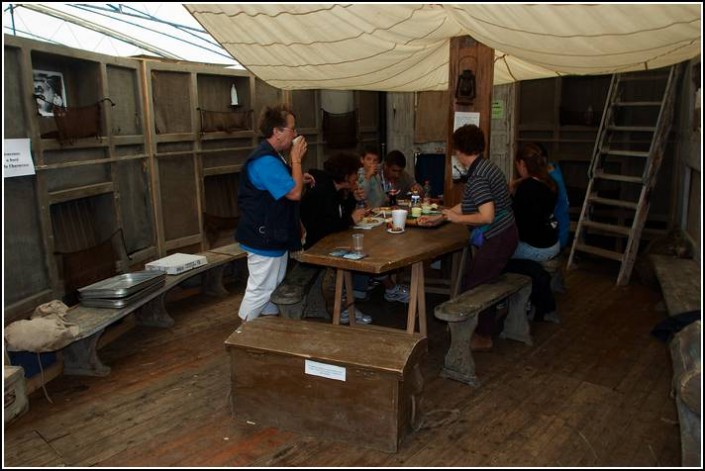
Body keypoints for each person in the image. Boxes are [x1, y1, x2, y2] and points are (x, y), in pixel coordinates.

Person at [424, 124, 518, 351]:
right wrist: (444, 215)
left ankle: (483, 336)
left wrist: (456, 220)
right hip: (506, 232)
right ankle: (483, 331)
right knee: (479, 281)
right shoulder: (486, 167)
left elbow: (486, 216)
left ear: (459, 150)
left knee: (476, 286)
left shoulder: (478, 176)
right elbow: (469, 204)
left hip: (498, 236)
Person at [236, 104, 308, 323]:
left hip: (271, 233)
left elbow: (284, 185)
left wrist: (299, 177)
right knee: (260, 289)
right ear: (277, 131)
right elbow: (294, 193)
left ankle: (265, 330)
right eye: (291, 129)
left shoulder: (273, 156)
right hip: (263, 236)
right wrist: (296, 160)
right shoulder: (265, 160)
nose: (295, 134)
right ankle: (242, 336)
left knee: (272, 287)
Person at [300, 152, 373, 324]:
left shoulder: (337, 190)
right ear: (346, 175)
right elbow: (324, 226)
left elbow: (340, 216)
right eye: (355, 173)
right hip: (315, 246)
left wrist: (353, 199)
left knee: (361, 252)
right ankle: (342, 309)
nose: (357, 177)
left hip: (330, 241)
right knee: (346, 264)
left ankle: (347, 305)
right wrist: (351, 219)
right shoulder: (321, 192)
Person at [509, 143, 560, 262]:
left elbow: (517, 222)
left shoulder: (526, 188)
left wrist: (510, 194)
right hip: (553, 242)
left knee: (493, 248)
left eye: (517, 165)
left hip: (537, 248)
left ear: (522, 163)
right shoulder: (550, 182)